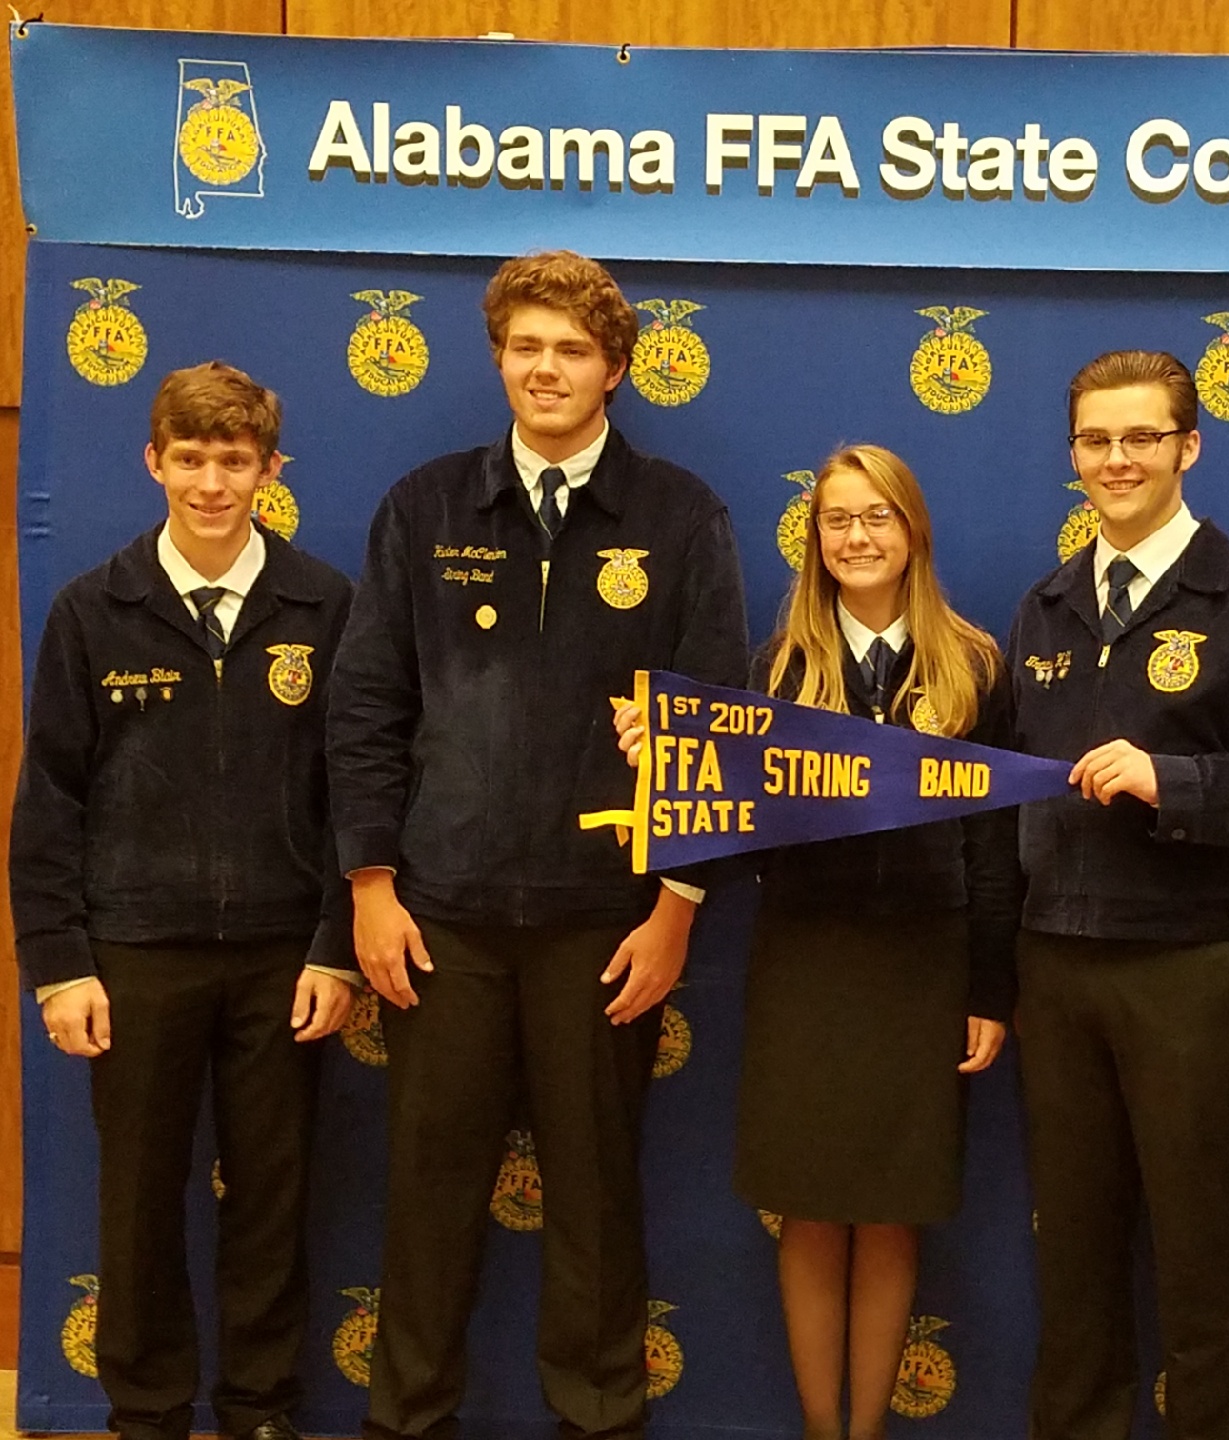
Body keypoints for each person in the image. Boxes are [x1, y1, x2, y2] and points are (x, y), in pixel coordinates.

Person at [326, 250, 750, 1440]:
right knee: (426, 1201)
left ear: (615, 367)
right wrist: (369, 884)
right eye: (526, 346)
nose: (546, 368)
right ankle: (406, 1419)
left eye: (572, 349)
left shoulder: (678, 516)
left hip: (605, 929)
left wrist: (676, 907)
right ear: (499, 357)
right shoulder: (425, 507)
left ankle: (601, 1420)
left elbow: (716, 730)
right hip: (439, 920)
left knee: (601, 1208)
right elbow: (365, 709)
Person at [12, 362, 356, 1440]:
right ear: (153, 461)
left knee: (273, 1198)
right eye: (192, 459)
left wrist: (337, 946)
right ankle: (147, 1411)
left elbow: (357, 791)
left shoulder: (324, 603)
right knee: (140, 1199)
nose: (213, 483)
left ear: (271, 469)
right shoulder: (93, 610)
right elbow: (49, 799)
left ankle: (259, 1407)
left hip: (280, 957)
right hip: (134, 954)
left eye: (236, 461)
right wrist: (60, 961)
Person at [1007, 350, 1229, 1440]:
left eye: (1141, 438)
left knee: (1197, 1256)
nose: (1117, 460)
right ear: (1073, 457)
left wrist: (1175, 782)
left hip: (1189, 970)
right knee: (1074, 1258)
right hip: (1054, 965)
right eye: (1096, 441)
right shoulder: (1047, 608)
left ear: (1188, 447)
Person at [728, 443, 1019, 1440]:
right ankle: (821, 1431)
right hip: (807, 965)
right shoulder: (773, 672)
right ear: (813, 540)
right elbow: (727, 840)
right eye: (837, 520)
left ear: (913, 532)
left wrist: (990, 985)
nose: (857, 537)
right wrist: (664, 771)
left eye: (877, 517)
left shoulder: (975, 664)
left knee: (892, 1208)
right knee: (810, 1208)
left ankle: (868, 1434)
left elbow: (995, 843)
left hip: (922, 968)